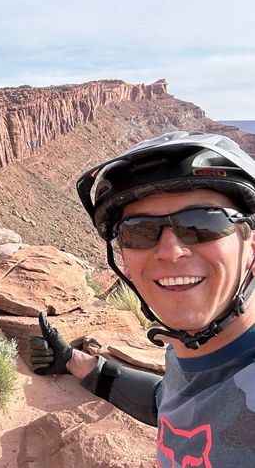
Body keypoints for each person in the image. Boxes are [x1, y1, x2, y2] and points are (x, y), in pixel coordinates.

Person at [29, 131, 255, 466]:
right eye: (140, 231)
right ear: (125, 262)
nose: (170, 251)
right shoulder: (186, 354)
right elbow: (169, 402)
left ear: (251, 247)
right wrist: (72, 361)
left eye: (202, 223)